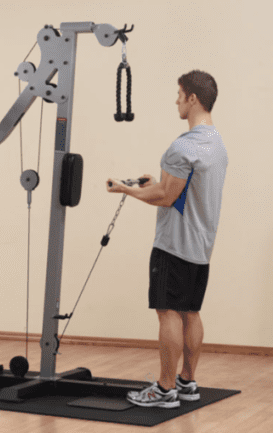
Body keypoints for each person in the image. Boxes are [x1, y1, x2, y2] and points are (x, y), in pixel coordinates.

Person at [106, 70, 228, 409]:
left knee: (168, 313)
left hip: (173, 244)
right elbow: (180, 188)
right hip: (201, 245)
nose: (176, 100)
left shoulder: (183, 145)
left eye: (179, 94)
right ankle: (187, 382)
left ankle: (164, 389)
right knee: (190, 312)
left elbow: (165, 196)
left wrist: (126, 188)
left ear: (192, 99)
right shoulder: (216, 144)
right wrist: (155, 181)